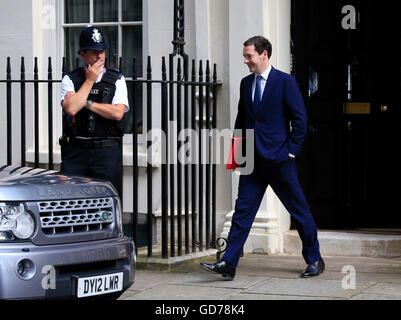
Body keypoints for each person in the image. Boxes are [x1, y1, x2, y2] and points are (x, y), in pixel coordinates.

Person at [201, 36, 324, 279]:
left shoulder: (285, 82)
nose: (245, 60)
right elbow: (242, 121)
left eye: (249, 56)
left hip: (279, 160)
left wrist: (290, 151)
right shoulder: (247, 84)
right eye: (245, 56)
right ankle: (229, 263)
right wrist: (237, 155)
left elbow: (300, 120)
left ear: (264, 54)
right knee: (242, 213)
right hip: (252, 162)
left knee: (299, 212)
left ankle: (315, 259)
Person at [60, 25, 129, 198]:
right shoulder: (70, 79)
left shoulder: (117, 79)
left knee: (107, 202)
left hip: (106, 153)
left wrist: (85, 102)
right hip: (76, 151)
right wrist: (90, 80)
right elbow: (71, 108)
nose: (99, 56)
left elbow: (117, 113)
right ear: (82, 54)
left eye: (102, 51)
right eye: (93, 52)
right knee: (72, 202)